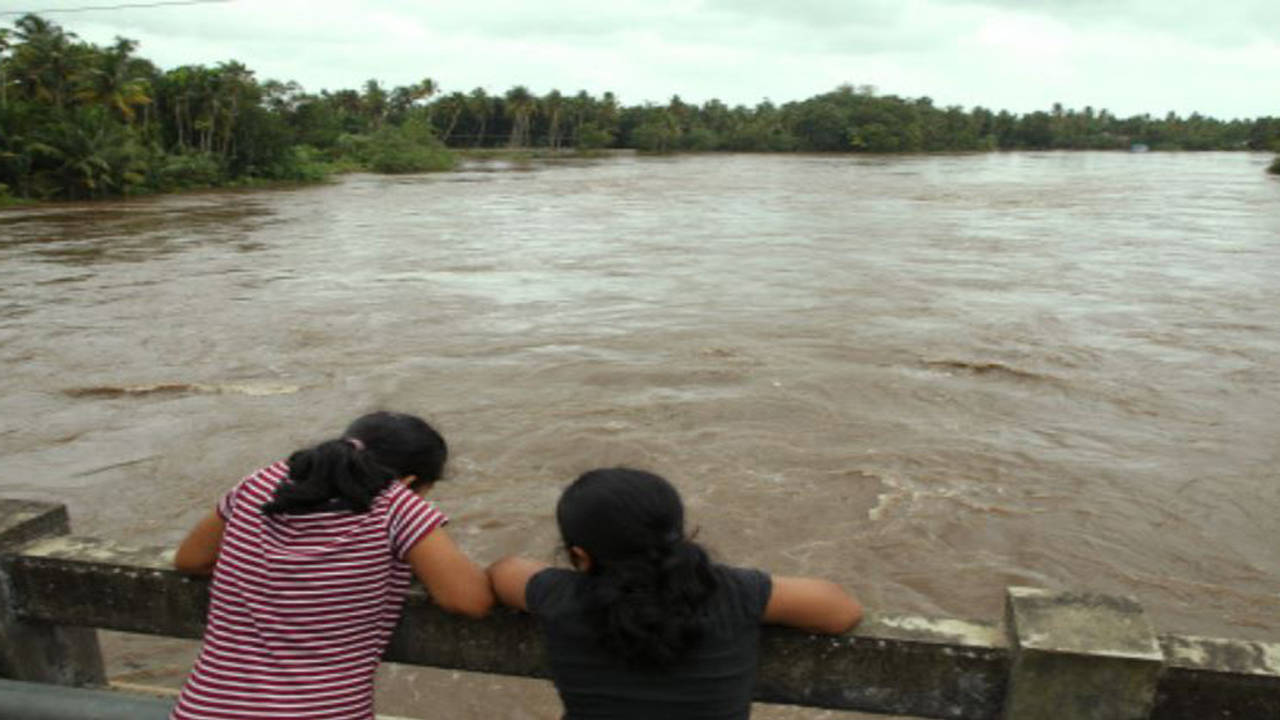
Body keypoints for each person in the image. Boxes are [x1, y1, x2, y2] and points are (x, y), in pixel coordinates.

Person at [170, 411, 494, 720]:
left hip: (204, 709)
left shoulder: (260, 483)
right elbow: (469, 600)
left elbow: (191, 559)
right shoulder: (396, 504)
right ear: (409, 482)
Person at [488, 467, 862, 720]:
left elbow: (504, 572)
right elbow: (841, 610)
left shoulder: (561, 596)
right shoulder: (733, 593)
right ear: (679, 534)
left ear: (580, 556)